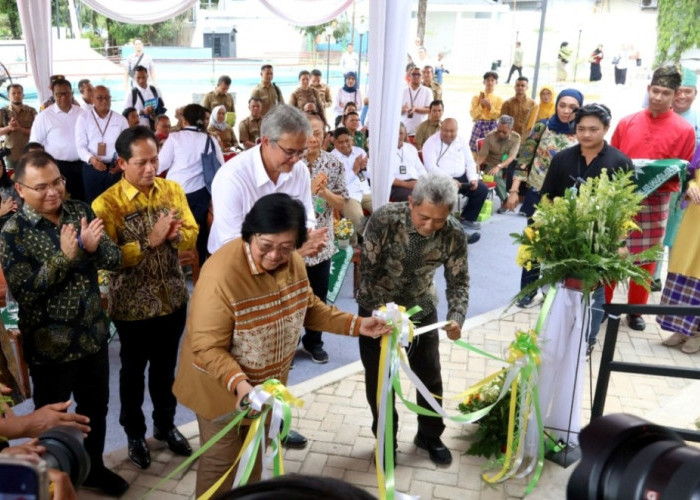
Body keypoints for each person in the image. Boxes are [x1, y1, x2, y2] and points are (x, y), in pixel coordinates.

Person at [173, 193, 391, 496]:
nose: (275, 256)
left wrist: (358, 325)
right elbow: (207, 346)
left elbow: (309, 308)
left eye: (286, 247)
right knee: (221, 467)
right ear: (249, 235)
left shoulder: (294, 263)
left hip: (264, 389)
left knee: (256, 456)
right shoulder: (220, 275)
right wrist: (240, 386)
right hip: (222, 390)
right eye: (266, 246)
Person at [0, 151, 127, 495]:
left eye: (57, 182)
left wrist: (90, 248)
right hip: (49, 348)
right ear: (20, 189)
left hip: (92, 337)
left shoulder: (79, 211)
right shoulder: (13, 231)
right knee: (50, 420)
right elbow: (26, 292)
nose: (53, 192)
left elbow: (114, 259)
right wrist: (66, 257)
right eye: (41, 187)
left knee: (95, 411)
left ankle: (95, 468)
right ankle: (50, 480)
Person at [91, 126, 198, 470]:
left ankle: (165, 426)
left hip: (172, 298)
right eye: (142, 162)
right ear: (122, 163)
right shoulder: (106, 204)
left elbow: (192, 236)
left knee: (166, 369)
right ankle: (134, 434)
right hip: (132, 306)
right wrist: (149, 241)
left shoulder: (172, 189)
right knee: (133, 372)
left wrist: (178, 236)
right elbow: (107, 259)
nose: (151, 168)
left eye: (155, 160)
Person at [357, 173, 467, 465]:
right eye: (424, 217)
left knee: (429, 374)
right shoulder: (384, 219)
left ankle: (430, 435)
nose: (430, 226)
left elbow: (459, 281)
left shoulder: (454, 233)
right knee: (380, 380)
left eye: (439, 220)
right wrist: (386, 318)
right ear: (410, 203)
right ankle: (385, 439)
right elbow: (367, 274)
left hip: (421, 309)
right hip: (377, 312)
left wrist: (456, 316)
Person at [605, 66, 695, 331]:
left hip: (657, 201)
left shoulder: (684, 129)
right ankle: (605, 303)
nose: (658, 97)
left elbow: (683, 168)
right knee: (613, 250)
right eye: (655, 90)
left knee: (647, 258)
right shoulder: (627, 122)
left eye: (665, 92)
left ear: (675, 94)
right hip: (622, 198)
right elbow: (612, 159)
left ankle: (635, 311)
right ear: (648, 89)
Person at [540, 103, 633, 354]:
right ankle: (552, 337)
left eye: (594, 129)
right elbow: (547, 197)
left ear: (606, 128)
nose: (587, 135)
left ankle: (587, 342)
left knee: (595, 294)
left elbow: (626, 209)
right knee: (556, 288)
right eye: (581, 129)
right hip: (563, 240)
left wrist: (620, 243)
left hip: (600, 242)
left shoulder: (620, 162)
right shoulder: (562, 158)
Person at [505, 88, 583, 307]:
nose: (566, 111)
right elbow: (524, 159)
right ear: (556, 105)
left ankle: (553, 291)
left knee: (559, 246)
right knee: (534, 244)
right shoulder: (543, 126)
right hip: (538, 194)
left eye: (572, 107)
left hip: (567, 201)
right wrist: (513, 190)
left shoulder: (581, 131)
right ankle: (527, 291)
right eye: (563, 105)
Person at [299, 116, 349, 364]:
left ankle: (313, 342)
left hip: (321, 244)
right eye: (309, 132)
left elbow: (343, 203)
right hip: (293, 246)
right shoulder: (290, 162)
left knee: (317, 297)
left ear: (325, 135)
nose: (313, 138)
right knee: (289, 297)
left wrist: (324, 191)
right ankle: (287, 345)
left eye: (318, 133)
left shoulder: (334, 164)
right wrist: (307, 189)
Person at [159, 104, 223, 266]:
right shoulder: (210, 139)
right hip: (201, 194)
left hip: (174, 192)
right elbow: (221, 167)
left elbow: (160, 165)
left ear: (184, 119)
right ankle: (199, 266)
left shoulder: (175, 138)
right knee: (198, 233)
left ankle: (174, 265)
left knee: (173, 230)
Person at [657, 153, 700, 352]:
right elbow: (689, 173)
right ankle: (682, 328)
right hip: (694, 217)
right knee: (684, 264)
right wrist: (690, 185)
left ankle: (697, 332)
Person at [422, 118, 487, 242]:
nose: (448, 134)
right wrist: (449, 180)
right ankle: (451, 231)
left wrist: (472, 178)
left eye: (452, 131)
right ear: (441, 128)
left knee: (481, 189)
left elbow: (469, 161)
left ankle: (466, 219)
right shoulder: (431, 143)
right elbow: (430, 167)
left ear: (457, 130)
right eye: (446, 130)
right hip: (441, 178)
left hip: (461, 176)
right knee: (445, 197)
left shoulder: (461, 141)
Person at [28, 76, 85, 201]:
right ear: (53, 95)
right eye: (58, 94)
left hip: (82, 165)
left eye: (65, 93)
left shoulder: (82, 113)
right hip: (57, 166)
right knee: (60, 200)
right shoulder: (44, 116)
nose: (63, 97)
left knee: (81, 199)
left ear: (72, 93)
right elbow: (35, 143)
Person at [74, 85, 129, 204]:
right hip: (92, 168)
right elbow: (80, 146)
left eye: (107, 98)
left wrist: (121, 164)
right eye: (99, 98)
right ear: (92, 99)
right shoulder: (83, 118)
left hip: (115, 168)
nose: (104, 101)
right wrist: (92, 159)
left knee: (116, 203)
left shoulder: (120, 120)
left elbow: (127, 145)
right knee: (94, 204)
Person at [330, 127, 372, 241]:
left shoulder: (360, 151)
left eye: (347, 141)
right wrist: (354, 170)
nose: (344, 145)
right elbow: (337, 184)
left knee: (383, 208)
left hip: (366, 191)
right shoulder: (331, 159)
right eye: (340, 142)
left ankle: (377, 240)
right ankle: (358, 245)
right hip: (347, 194)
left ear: (352, 140)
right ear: (334, 143)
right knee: (356, 218)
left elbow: (370, 175)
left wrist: (364, 168)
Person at [475, 115, 520, 210]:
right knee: (493, 174)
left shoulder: (516, 138)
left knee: (517, 173)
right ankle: (505, 200)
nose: (500, 134)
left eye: (504, 132)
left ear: (511, 130)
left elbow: (512, 156)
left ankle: (516, 196)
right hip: (492, 163)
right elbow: (483, 155)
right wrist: (477, 164)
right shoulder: (490, 137)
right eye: (499, 130)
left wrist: (499, 166)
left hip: (508, 163)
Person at [0, 83, 36, 170]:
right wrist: (9, 128)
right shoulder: (3, 112)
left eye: (19, 93)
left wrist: (20, 129)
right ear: (8, 96)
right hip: (12, 155)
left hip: (29, 153)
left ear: (23, 95)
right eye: (13, 93)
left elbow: (37, 132)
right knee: (13, 180)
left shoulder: (31, 111)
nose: (17, 95)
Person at [391, 122, 427, 201]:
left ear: (405, 135)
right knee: (415, 199)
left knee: (435, 195)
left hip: (415, 183)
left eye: (401, 133)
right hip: (397, 185)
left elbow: (420, 168)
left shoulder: (411, 148)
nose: (398, 136)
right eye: (396, 133)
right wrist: (406, 184)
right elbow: (384, 177)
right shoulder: (384, 150)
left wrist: (421, 182)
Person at [469, 71, 503, 154]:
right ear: (484, 82)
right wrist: (481, 106)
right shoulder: (477, 97)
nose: (490, 82)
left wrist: (490, 107)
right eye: (488, 80)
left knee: (492, 151)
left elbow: (498, 115)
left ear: (496, 82)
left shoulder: (499, 99)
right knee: (476, 150)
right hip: (479, 125)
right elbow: (473, 114)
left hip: (492, 125)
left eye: (492, 80)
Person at [126, 65, 166, 129]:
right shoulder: (131, 94)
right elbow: (126, 113)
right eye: (138, 78)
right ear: (134, 78)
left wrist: (155, 113)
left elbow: (162, 108)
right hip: (140, 130)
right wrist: (142, 112)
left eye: (143, 77)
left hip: (156, 129)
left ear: (147, 76)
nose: (141, 80)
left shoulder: (156, 90)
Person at [401, 67, 433, 137]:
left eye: (418, 74)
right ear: (409, 76)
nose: (416, 76)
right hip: (404, 130)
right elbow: (394, 111)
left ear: (422, 77)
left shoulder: (427, 91)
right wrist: (402, 110)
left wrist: (416, 109)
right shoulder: (402, 91)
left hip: (420, 131)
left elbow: (429, 109)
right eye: (413, 74)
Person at [0, 156, 21, 229]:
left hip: (12, 224)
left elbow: (19, 203)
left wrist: (16, 205)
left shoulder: (10, 185)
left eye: (0, 166)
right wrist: (2, 211)